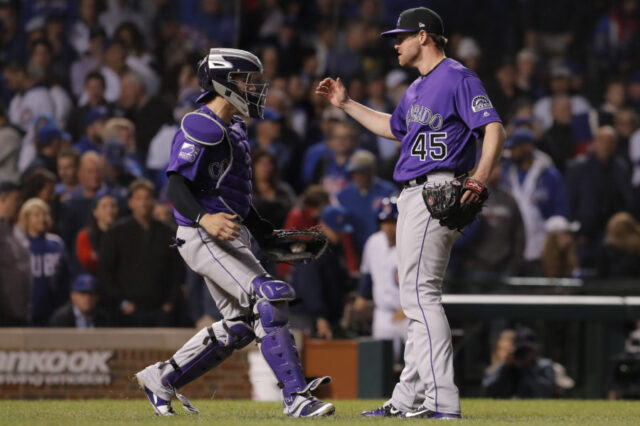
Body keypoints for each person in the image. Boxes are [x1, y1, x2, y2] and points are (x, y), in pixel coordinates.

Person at [316, 7, 505, 419]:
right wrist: (346, 104)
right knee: (418, 299)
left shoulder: (457, 76)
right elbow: (394, 128)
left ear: (424, 36)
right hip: (415, 195)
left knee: (421, 298)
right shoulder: (417, 88)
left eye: (400, 37)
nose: (395, 44)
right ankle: (407, 400)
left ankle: (441, 401)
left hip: (437, 188)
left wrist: (479, 178)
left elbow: (493, 127)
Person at [134, 48, 334, 418]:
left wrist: (266, 234)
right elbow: (176, 185)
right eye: (247, 80)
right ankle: (296, 397)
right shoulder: (201, 124)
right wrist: (203, 220)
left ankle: (161, 378)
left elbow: (237, 199)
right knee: (269, 298)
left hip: (228, 232)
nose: (255, 88)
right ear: (225, 83)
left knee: (241, 326)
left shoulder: (234, 128)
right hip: (203, 233)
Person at [98, 179, 182, 327]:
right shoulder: (116, 233)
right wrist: (122, 303)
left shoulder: (167, 233)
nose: (143, 203)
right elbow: (105, 272)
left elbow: (177, 271)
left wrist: (170, 303)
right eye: (138, 198)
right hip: (126, 312)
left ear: (154, 201)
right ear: (130, 203)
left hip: (161, 311)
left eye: (147, 198)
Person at [355, 197, 408, 364]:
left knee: (415, 361)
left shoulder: (410, 243)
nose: (389, 226)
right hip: (383, 313)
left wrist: (408, 307)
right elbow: (367, 273)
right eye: (385, 221)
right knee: (381, 362)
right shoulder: (373, 242)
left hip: (408, 313)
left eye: (393, 221)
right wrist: (362, 296)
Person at [17, 197, 70, 326]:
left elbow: (66, 275)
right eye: (36, 215)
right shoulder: (19, 243)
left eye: (45, 214)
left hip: (54, 307)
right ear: (26, 218)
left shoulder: (56, 243)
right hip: (27, 308)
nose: (42, 218)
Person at [482, 327, 555, 398]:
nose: (523, 354)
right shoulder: (506, 365)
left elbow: (545, 392)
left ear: (535, 350)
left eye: (527, 350)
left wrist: (527, 368)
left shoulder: (545, 366)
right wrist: (505, 368)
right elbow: (489, 390)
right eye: (521, 350)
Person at [0, 182, 31, 326]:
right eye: (16, 199)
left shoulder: (16, 229)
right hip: (4, 312)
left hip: (21, 308)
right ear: (3, 200)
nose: (19, 204)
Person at [76, 193, 118, 274]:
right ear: (95, 212)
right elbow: (88, 262)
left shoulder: (122, 233)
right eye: (104, 206)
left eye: (113, 206)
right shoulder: (85, 235)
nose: (109, 210)